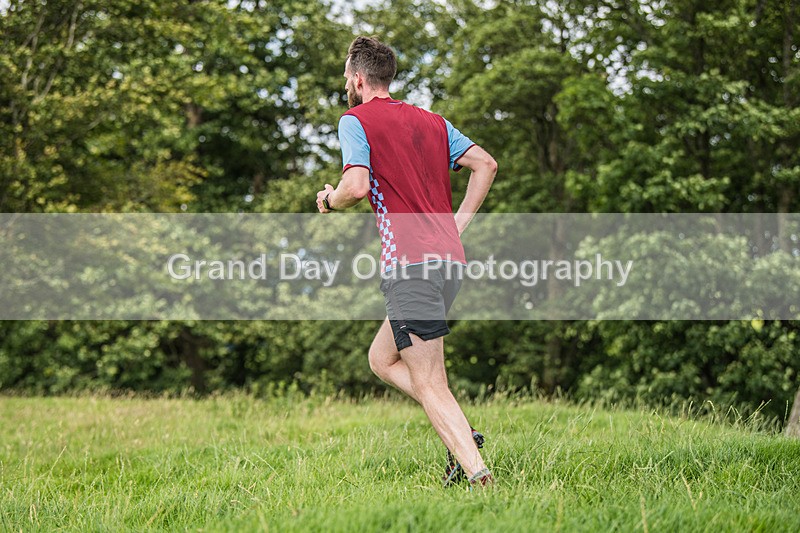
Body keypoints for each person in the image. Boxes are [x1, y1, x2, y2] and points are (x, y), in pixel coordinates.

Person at [315, 36, 498, 488]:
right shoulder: (432, 121)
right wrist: (457, 225)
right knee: (382, 358)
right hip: (448, 261)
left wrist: (329, 201)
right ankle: (462, 435)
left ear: (358, 78)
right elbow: (486, 164)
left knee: (431, 380)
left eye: (346, 76)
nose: (346, 83)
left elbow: (356, 187)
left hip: (410, 267)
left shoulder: (355, 121)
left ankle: (480, 476)